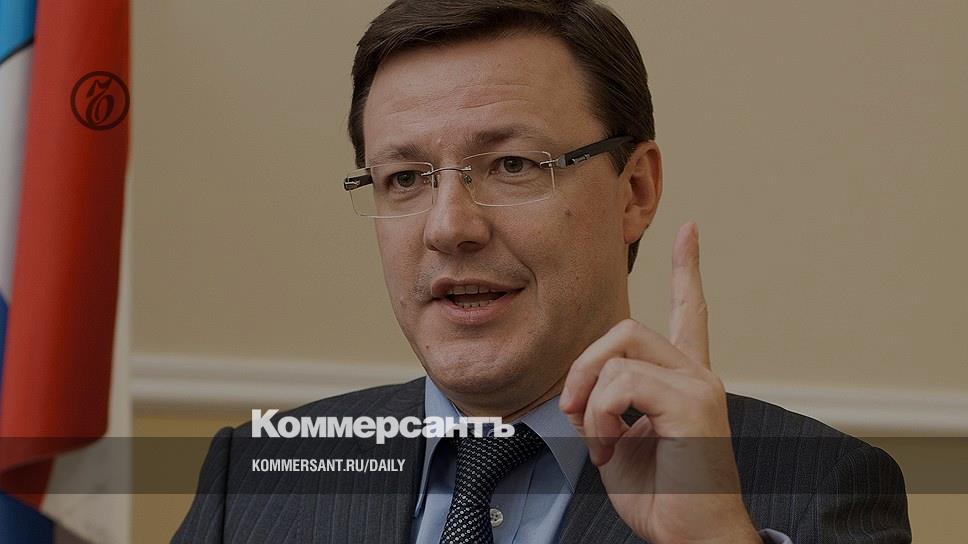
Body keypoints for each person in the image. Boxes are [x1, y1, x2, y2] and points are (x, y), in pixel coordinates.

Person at [173, 1, 911, 542]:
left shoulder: (814, 491)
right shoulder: (259, 471)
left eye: (513, 165)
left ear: (635, 191)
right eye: (405, 178)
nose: (448, 227)